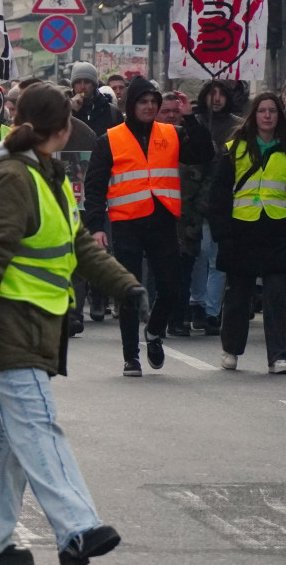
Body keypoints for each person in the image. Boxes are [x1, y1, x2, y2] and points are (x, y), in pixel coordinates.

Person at [0, 82, 141, 565]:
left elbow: (77, 243)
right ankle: (78, 529)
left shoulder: (43, 174)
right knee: (39, 427)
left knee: (8, 442)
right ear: (63, 130)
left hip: (31, 324)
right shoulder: (12, 177)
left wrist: (126, 287)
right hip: (5, 327)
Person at [84, 76, 214, 376]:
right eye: (143, 102)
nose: (149, 107)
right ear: (131, 105)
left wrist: (190, 116)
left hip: (163, 220)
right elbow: (94, 187)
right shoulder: (110, 139)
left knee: (171, 286)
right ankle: (131, 356)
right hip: (127, 222)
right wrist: (96, 226)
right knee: (130, 290)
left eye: (154, 102)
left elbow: (204, 154)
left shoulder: (173, 133)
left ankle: (154, 332)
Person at [209, 92, 286, 373]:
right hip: (241, 232)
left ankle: (278, 355)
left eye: (273, 111)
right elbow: (217, 196)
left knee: (278, 296)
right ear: (253, 116)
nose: (267, 116)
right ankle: (231, 348)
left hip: (277, 232)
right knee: (238, 297)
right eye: (262, 111)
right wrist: (223, 236)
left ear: (280, 115)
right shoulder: (235, 148)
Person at [186, 79, 244, 336]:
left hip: (220, 197)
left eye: (221, 93)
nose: (216, 98)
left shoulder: (235, 126)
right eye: (212, 93)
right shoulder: (195, 121)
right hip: (193, 197)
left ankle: (212, 310)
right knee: (197, 252)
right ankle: (196, 302)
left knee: (214, 255)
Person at [68, 62, 121, 137]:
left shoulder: (111, 112)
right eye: (78, 82)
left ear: (94, 85)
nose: (82, 87)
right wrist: (72, 112)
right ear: (73, 85)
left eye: (87, 82)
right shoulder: (63, 111)